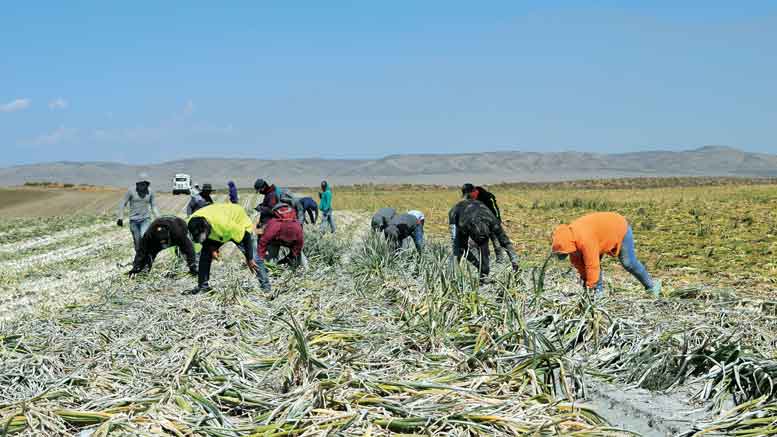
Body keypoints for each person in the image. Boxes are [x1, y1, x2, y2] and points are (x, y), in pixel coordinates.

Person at [551, 212, 661, 298]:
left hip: (618, 227)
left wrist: (591, 287)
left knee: (629, 263)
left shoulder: (585, 240)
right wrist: (586, 283)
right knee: (590, 270)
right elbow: (580, 265)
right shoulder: (569, 241)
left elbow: (592, 265)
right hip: (599, 234)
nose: (566, 255)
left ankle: (652, 287)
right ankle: (597, 295)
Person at [186, 203, 260, 294]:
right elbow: (204, 240)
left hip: (237, 220)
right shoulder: (193, 223)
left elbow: (246, 236)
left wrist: (250, 258)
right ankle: (203, 286)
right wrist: (212, 249)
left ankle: (265, 286)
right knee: (205, 254)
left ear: (207, 228)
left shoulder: (225, 224)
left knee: (254, 258)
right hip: (217, 226)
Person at [449, 199, 519, 283]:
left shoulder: (493, 222)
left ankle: (483, 275)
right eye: (477, 238)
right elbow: (462, 247)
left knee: (483, 246)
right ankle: (454, 275)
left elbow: (505, 242)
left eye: (484, 237)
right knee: (457, 247)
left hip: (481, 212)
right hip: (457, 213)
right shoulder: (463, 224)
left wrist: (515, 263)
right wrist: (478, 265)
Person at [256, 204, 305, 292]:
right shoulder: (297, 224)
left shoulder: (274, 223)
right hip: (291, 241)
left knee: (272, 253)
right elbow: (300, 242)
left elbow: (264, 240)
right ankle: (303, 271)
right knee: (299, 255)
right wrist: (293, 254)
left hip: (277, 241)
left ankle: (270, 270)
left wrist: (260, 257)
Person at [127, 217, 198, 278]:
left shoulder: (178, 232)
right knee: (150, 254)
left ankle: (179, 264)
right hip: (156, 238)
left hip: (177, 223)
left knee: (183, 250)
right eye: (161, 242)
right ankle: (145, 271)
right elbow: (141, 252)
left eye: (165, 241)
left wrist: (192, 266)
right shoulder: (149, 235)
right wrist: (136, 267)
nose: (164, 244)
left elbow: (189, 249)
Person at [462, 183, 506, 262]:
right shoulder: (470, 198)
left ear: (474, 192)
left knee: (495, 240)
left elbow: (495, 209)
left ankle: (500, 260)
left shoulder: (488, 197)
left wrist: (497, 220)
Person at [117, 175, 161, 253]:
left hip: (145, 219)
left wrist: (159, 218)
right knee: (137, 242)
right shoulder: (131, 191)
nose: (143, 186)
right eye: (141, 184)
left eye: (145, 184)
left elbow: (153, 206)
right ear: (137, 184)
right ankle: (139, 257)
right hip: (133, 221)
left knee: (144, 236)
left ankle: (147, 256)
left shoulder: (150, 192)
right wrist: (120, 217)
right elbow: (123, 203)